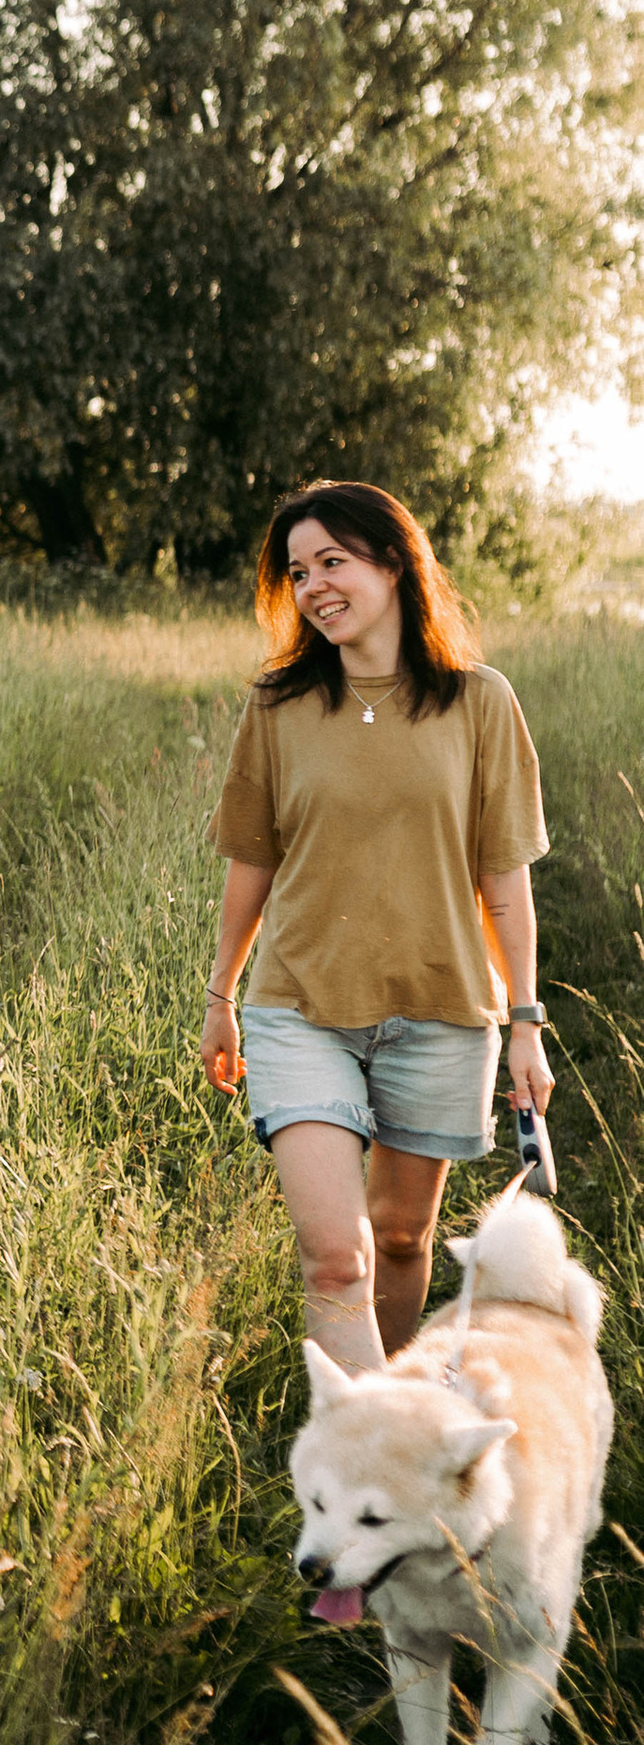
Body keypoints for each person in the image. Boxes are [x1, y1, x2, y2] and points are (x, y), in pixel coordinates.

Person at [200, 480, 552, 1374]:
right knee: (337, 1256)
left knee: (399, 1239)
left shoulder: (479, 703)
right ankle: (357, 1440)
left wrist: (525, 1025)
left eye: (333, 562)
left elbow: (502, 881)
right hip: (300, 1009)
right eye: (298, 571)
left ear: (393, 563)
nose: (313, 586)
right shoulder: (277, 708)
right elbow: (254, 861)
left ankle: (390, 1438)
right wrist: (221, 996)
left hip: (439, 1013)